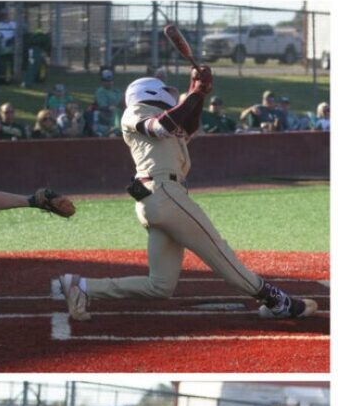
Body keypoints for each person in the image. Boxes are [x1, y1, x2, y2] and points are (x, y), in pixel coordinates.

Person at [58, 69, 317, 323]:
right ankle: (277, 302)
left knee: (159, 285)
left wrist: (200, 94)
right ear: (148, 92)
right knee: (221, 253)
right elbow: (161, 126)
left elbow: (187, 125)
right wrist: (194, 92)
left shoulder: (169, 121)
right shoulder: (137, 111)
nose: (170, 96)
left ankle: (81, 286)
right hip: (164, 193)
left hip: (159, 198)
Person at [93, 67, 123, 136]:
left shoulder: (116, 90)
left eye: (111, 80)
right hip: (106, 114)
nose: (110, 82)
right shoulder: (100, 91)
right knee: (116, 110)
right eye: (107, 81)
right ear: (102, 81)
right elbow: (102, 106)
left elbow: (122, 100)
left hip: (120, 110)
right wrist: (111, 107)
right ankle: (115, 130)